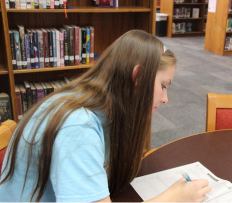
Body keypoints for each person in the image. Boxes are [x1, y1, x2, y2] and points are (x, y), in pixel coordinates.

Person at [0, 30, 211, 202]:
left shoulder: (103, 106)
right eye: (163, 86)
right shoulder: (78, 126)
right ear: (138, 77)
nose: (165, 99)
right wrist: (174, 198)